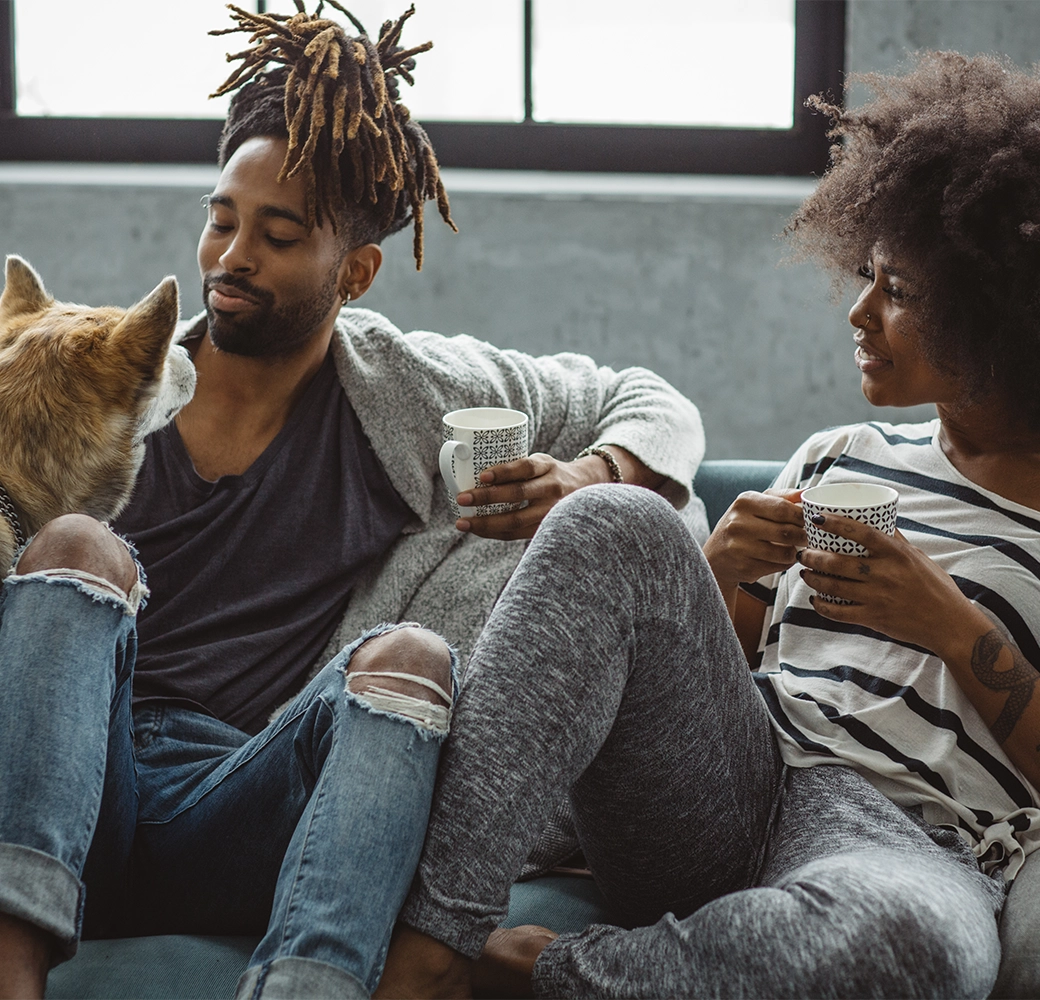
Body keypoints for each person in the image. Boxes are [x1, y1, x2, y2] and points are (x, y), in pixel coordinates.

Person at [0, 6, 704, 1000]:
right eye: (221, 217)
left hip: (253, 800)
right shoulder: (115, 380)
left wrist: (590, 477)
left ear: (355, 272)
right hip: (76, 787)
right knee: (77, 543)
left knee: (410, 661)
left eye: (277, 236)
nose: (230, 256)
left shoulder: (410, 394)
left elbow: (647, 401)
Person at [372, 51, 1040, 1000]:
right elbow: (725, 663)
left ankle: (547, 971)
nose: (857, 313)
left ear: (999, 318)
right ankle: (431, 943)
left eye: (898, 293)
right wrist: (716, 565)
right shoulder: (841, 453)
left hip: (901, 839)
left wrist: (948, 622)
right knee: (614, 519)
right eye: (866, 278)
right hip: (736, 777)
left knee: (917, 949)